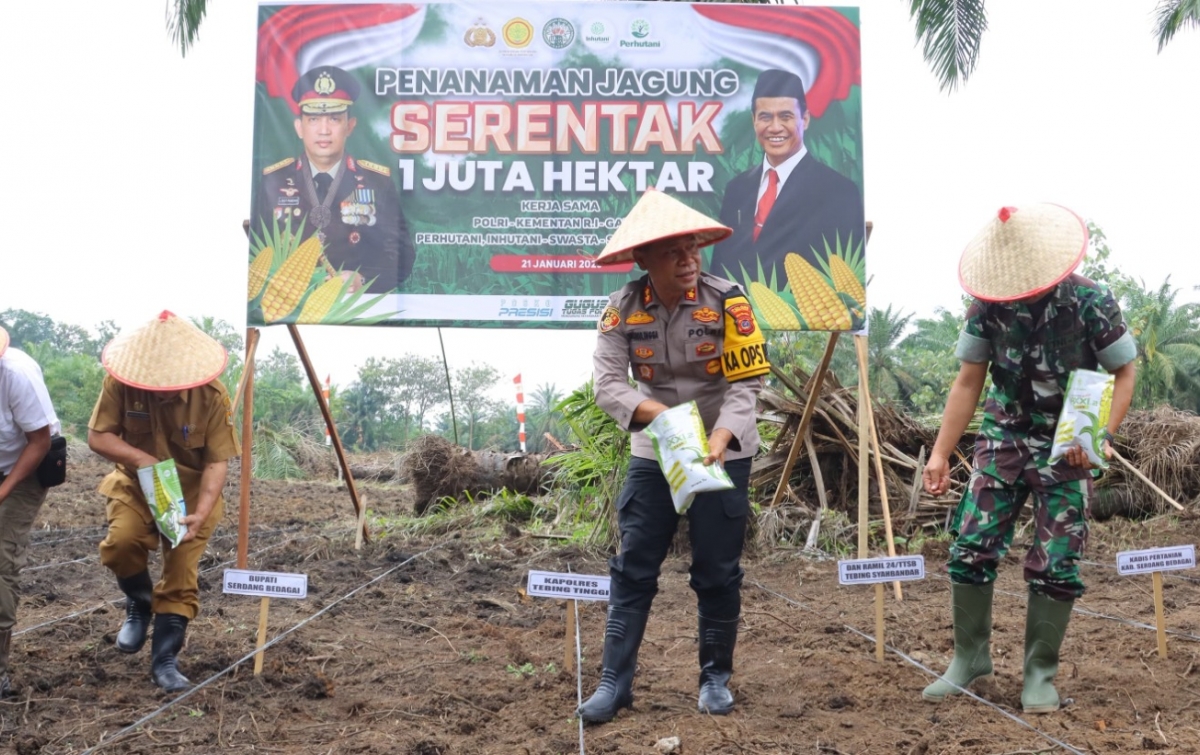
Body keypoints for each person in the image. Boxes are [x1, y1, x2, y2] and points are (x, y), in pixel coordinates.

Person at [921, 203, 1137, 713]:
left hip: (1070, 443)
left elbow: (1123, 373)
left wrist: (1103, 435)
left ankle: (1039, 674)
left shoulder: (1091, 301)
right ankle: (969, 660)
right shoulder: (987, 306)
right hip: (1005, 437)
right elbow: (968, 380)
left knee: (1057, 561)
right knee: (970, 546)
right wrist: (939, 453)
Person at [579, 189, 770, 723]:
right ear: (643, 259)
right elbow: (608, 385)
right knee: (634, 565)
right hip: (656, 446)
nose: (688, 261)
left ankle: (714, 680)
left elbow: (746, 381)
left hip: (722, 452)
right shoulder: (620, 311)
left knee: (717, 568)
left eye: (693, 249)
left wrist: (721, 437)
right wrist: (662, 418)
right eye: (674, 253)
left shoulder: (728, 299)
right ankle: (613, 683)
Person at [87, 312, 240, 692]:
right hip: (135, 485)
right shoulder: (121, 384)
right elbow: (98, 436)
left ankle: (165, 661)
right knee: (122, 544)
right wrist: (140, 458)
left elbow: (217, 462)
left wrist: (201, 513)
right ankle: (138, 602)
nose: (161, 389)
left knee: (180, 573)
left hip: (189, 496)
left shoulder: (213, 396)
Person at [257, 65, 415, 294]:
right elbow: (257, 253)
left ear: (349, 126)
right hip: (291, 305)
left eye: (334, 119)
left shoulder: (376, 183)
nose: (324, 130)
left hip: (357, 309)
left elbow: (401, 256)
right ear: (299, 128)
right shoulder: (274, 183)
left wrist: (364, 279)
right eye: (313, 120)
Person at [710, 68, 864, 288]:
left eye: (786, 116)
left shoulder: (839, 191)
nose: (775, 127)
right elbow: (720, 268)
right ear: (754, 121)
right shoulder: (737, 189)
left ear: (805, 119)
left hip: (807, 319)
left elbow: (847, 274)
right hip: (737, 319)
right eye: (765, 117)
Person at [0, 326, 60, 697]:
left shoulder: (16, 375)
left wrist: (3, 491)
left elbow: (39, 441)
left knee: (1, 556)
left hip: (26, 466)